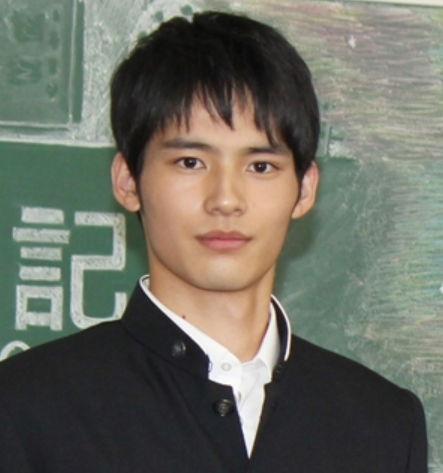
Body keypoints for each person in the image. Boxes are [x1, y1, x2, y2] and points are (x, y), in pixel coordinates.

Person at [0, 11, 427, 473]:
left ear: (305, 189)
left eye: (260, 166)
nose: (226, 199)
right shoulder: (25, 407)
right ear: (128, 181)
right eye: (190, 162)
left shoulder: (382, 422)